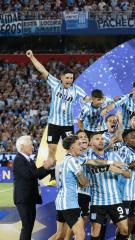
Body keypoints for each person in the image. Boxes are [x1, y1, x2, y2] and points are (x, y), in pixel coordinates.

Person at [26, 50, 90, 184]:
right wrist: (32, 57)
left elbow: (86, 98)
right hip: (54, 124)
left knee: (72, 148)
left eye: (71, 78)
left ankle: (74, 173)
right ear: (61, 77)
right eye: (67, 78)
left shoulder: (76, 89)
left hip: (67, 124)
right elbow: (42, 70)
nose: (69, 80)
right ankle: (51, 173)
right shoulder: (55, 84)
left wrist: (92, 100)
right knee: (52, 150)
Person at [86, 132, 131, 240]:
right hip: (97, 201)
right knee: (95, 232)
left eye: (102, 139)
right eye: (97, 139)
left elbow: (128, 174)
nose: (101, 141)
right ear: (91, 143)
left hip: (114, 199)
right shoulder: (87, 157)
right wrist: (109, 166)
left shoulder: (113, 155)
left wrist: (119, 171)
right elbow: (92, 164)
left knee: (124, 229)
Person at [13, 135, 54, 240]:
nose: (33, 147)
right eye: (31, 145)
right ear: (22, 146)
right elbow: (29, 175)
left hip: (30, 198)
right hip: (23, 199)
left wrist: (49, 168)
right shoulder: (18, 159)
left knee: (30, 226)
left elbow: (37, 175)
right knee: (27, 226)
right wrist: (44, 167)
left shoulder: (29, 160)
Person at [55, 135, 90, 240]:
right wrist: (86, 181)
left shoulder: (64, 161)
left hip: (61, 202)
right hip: (69, 203)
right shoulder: (72, 160)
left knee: (60, 235)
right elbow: (84, 183)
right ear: (71, 147)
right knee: (80, 235)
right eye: (78, 144)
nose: (81, 147)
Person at [118, 129, 135, 240]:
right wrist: (131, 165)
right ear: (125, 140)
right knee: (123, 222)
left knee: (132, 219)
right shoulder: (123, 149)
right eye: (133, 137)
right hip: (123, 193)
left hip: (133, 193)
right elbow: (118, 167)